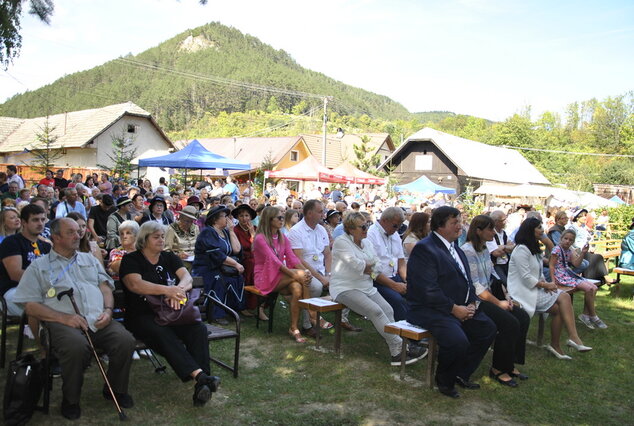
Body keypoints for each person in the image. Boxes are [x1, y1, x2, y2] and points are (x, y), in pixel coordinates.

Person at [14, 218, 136, 420]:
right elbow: (29, 305)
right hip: (61, 324)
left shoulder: (89, 260)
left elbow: (105, 287)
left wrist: (107, 310)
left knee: (125, 341)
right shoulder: (39, 267)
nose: (78, 235)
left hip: (98, 319)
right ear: (55, 237)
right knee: (76, 346)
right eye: (70, 232)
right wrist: (63, 318)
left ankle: (115, 389)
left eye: (78, 231)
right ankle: (70, 399)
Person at [119, 221, 221, 407]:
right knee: (162, 333)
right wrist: (167, 291)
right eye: (156, 236)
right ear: (144, 239)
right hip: (142, 316)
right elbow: (135, 284)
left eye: (162, 236)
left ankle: (202, 383)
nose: (160, 239)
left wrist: (177, 291)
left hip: (172, 312)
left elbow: (187, 277)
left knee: (197, 329)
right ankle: (202, 377)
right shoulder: (131, 260)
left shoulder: (169, 257)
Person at [406, 206, 497, 398]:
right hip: (431, 308)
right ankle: (445, 381)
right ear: (440, 226)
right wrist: (454, 309)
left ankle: (461, 373)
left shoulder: (455, 248)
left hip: (460, 306)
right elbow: (427, 289)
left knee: (487, 329)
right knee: (457, 341)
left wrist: (472, 303)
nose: (460, 226)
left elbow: (467, 280)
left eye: (460, 221)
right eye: (454, 223)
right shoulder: (425, 249)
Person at [331, 212, 425, 364]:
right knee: (375, 311)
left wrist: (368, 267)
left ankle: (397, 352)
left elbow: (377, 265)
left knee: (388, 309)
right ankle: (400, 347)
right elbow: (357, 266)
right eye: (362, 226)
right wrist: (368, 266)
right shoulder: (341, 242)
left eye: (367, 225)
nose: (366, 229)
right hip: (344, 287)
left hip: (365, 285)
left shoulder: (366, 242)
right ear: (351, 229)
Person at [507, 217, 591, 360]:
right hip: (523, 291)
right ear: (530, 230)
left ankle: (556, 345)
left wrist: (545, 283)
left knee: (559, 309)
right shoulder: (521, 249)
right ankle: (573, 337)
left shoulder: (533, 248)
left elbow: (538, 272)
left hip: (535, 288)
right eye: (539, 228)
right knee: (564, 297)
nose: (542, 230)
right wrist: (545, 285)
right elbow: (526, 277)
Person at [462, 215, 530, 387]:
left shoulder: (484, 249)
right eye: (490, 229)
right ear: (479, 231)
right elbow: (475, 285)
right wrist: (498, 303)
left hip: (489, 295)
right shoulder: (467, 251)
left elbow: (493, 275)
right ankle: (498, 368)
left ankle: (510, 363)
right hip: (476, 301)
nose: (494, 232)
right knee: (509, 323)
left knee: (522, 317)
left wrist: (506, 297)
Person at [253, 206, 311, 342]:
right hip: (264, 277)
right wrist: (297, 274)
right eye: (279, 218)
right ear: (269, 219)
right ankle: (312, 314)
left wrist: (304, 271)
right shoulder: (260, 238)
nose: (282, 220)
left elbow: (292, 258)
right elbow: (274, 261)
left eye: (283, 217)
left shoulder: (282, 236)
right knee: (301, 277)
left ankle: (294, 328)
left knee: (297, 287)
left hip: (278, 274)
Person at [191, 205, 245, 325]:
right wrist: (236, 264)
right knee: (219, 279)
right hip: (207, 268)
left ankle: (232, 310)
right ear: (215, 219)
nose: (228, 218)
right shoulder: (207, 232)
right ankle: (216, 314)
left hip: (222, 266)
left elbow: (236, 250)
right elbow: (216, 255)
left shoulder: (225, 232)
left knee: (237, 278)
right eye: (225, 216)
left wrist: (231, 231)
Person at [288, 200, 334, 334]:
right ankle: (308, 324)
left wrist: (329, 275)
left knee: (344, 284)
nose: (323, 215)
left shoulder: (322, 230)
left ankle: (342, 319)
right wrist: (321, 278)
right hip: (302, 269)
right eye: (320, 212)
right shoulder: (296, 231)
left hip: (321, 270)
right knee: (316, 286)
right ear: (309, 213)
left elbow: (327, 255)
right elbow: (299, 259)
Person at [0, 204, 51, 319]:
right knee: (42, 302)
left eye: (43, 219)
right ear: (24, 222)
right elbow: (15, 274)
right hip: (14, 290)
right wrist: (45, 280)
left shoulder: (45, 246)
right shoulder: (11, 242)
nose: (40, 223)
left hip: (42, 289)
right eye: (35, 220)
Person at [549, 228, 606, 329]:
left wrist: (583, 253)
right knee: (589, 288)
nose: (568, 241)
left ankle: (586, 314)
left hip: (567, 274)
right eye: (566, 238)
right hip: (561, 276)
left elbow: (576, 264)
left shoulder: (568, 250)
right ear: (561, 238)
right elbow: (552, 265)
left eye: (570, 240)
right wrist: (553, 281)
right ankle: (593, 316)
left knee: (594, 287)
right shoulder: (557, 250)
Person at [366, 207, 409, 321]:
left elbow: (401, 261)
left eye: (400, 226)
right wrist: (394, 285)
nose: (398, 229)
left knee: (417, 293)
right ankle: (405, 333)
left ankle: (419, 328)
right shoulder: (371, 234)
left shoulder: (394, 234)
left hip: (395, 276)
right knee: (397, 300)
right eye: (395, 225)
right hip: (377, 280)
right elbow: (372, 270)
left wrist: (406, 280)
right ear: (384, 220)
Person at [568, 209, 614, 284]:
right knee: (593, 257)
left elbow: (588, 239)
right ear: (577, 218)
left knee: (598, 256)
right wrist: (583, 248)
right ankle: (602, 278)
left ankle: (600, 279)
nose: (585, 218)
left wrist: (591, 247)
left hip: (585, 249)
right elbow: (572, 242)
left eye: (586, 215)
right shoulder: (572, 228)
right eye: (583, 216)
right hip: (576, 250)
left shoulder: (584, 227)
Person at [231, 204, 260, 317]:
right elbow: (238, 249)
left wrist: (253, 233)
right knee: (251, 265)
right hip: (242, 258)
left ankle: (261, 302)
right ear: (238, 217)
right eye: (241, 216)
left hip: (256, 257)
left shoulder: (255, 229)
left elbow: (259, 247)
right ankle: (246, 304)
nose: (244, 218)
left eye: (247, 215)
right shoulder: (235, 230)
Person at [165, 205, 199, 270]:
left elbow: (199, 246)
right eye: (186, 221)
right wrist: (178, 255)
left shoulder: (195, 228)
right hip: (179, 262)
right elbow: (166, 250)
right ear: (180, 218)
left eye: (191, 221)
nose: (189, 224)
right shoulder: (171, 229)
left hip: (195, 261)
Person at [486, 210, 515, 283]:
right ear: (496, 222)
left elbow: (513, 247)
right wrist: (506, 247)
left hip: (506, 263)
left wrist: (502, 247)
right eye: (503, 220)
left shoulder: (503, 233)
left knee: (511, 283)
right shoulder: (490, 234)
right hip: (495, 265)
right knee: (503, 282)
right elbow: (496, 252)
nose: (506, 222)